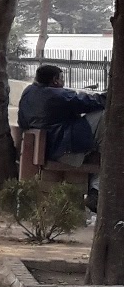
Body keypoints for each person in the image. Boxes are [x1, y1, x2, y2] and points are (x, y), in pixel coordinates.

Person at [17, 62, 106, 206]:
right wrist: (109, 95)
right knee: (104, 116)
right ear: (55, 80)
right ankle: (96, 189)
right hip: (63, 150)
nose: (63, 82)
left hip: (43, 149)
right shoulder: (56, 95)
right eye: (62, 79)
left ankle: (96, 188)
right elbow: (89, 102)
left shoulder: (28, 93)